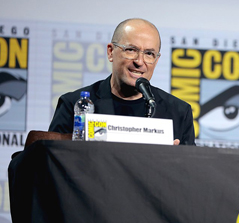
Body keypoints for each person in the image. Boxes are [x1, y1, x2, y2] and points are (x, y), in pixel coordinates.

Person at [49, 18, 195, 145]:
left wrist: (174, 161)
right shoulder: (74, 104)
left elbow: (190, 173)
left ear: (156, 60)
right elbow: (49, 165)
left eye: (149, 54)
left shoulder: (178, 112)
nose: (139, 61)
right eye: (131, 50)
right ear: (111, 52)